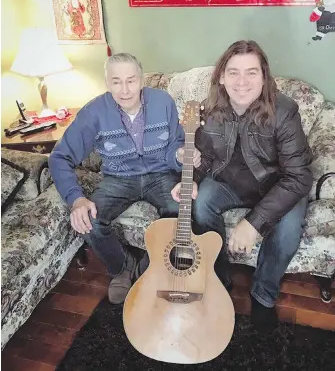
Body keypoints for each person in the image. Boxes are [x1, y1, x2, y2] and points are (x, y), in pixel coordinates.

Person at [171, 40, 313, 329]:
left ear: (264, 77)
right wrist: (193, 178)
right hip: (231, 183)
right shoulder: (210, 108)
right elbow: (206, 155)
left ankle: (262, 296)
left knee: (287, 232)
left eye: (251, 72)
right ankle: (219, 277)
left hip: (279, 187)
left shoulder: (284, 111)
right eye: (233, 72)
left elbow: (298, 177)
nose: (242, 82)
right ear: (221, 77)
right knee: (200, 203)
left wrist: (252, 223)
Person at [49, 53, 201, 305]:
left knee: (181, 214)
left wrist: (180, 154)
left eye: (131, 80)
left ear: (142, 80)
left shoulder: (163, 102)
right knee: (90, 221)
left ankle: (149, 267)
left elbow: (175, 144)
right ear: (107, 83)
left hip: (161, 174)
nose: (125, 89)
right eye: (116, 81)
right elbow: (59, 157)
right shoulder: (93, 112)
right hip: (119, 178)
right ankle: (121, 267)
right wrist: (76, 199)